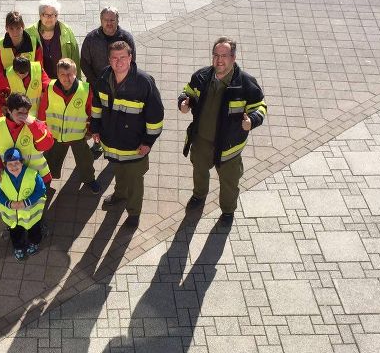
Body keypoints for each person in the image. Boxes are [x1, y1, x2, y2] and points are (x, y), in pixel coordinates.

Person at [179, 36, 267, 222]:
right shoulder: (201, 76)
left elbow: (260, 106)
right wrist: (184, 102)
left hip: (229, 146)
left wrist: (252, 120)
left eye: (224, 56)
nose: (219, 60)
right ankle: (199, 195)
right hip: (201, 140)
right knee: (199, 170)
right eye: (216, 55)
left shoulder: (245, 83)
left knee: (229, 181)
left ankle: (227, 211)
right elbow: (187, 91)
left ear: (233, 58)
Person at [90, 40, 164, 229]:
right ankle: (119, 195)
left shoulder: (143, 82)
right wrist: (96, 128)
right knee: (119, 171)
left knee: (135, 181)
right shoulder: (104, 78)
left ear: (130, 58)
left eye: (123, 57)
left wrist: (148, 142)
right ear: (109, 59)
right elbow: (97, 106)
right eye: (114, 57)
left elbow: (155, 117)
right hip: (112, 142)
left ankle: (134, 213)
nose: (119, 61)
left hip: (135, 145)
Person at [38, 58, 101, 194]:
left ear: (76, 72)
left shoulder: (85, 89)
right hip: (55, 135)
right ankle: (47, 181)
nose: (67, 78)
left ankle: (89, 179)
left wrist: (90, 130)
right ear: (57, 74)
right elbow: (43, 110)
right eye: (63, 74)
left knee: (85, 161)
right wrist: (42, 131)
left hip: (78, 135)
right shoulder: (49, 87)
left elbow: (91, 111)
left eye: (70, 74)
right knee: (51, 160)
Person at [0, 93, 54, 186]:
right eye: (19, 113)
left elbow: (47, 145)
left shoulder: (35, 123)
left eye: (26, 113)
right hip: (12, 179)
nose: (24, 117)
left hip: (38, 177)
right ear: (9, 110)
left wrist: (33, 125)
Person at [0, 148, 47, 261]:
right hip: (14, 215)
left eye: (17, 163)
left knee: (34, 229)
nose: (14, 166)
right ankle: (18, 247)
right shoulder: (0, 177)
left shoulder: (32, 174)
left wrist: (26, 202)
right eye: (10, 164)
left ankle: (34, 242)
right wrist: (9, 204)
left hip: (31, 214)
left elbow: (41, 189)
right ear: (5, 164)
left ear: (22, 162)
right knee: (15, 232)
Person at [25, 0, 81, 80]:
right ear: (40, 15)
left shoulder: (66, 31)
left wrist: (77, 80)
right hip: (38, 81)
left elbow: (75, 57)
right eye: (46, 15)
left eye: (53, 15)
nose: (50, 18)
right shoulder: (29, 32)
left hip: (63, 81)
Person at [80, 6, 135, 83]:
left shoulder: (127, 38)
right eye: (106, 20)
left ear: (117, 21)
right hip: (96, 85)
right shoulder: (91, 38)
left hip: (120, 84)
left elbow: (132, 62)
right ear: (101, 20)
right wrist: (95, 82)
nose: (109, 23)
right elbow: (84, 62)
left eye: (112, 20)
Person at [0, 10, 42, 82]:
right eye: (11, 28)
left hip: (30, 86)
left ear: (23, 27)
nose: (15, 32)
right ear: (6, 28)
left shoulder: (34, 43)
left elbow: (39, 67)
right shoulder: (0, 45)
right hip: (9, 86)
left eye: (18, 28)